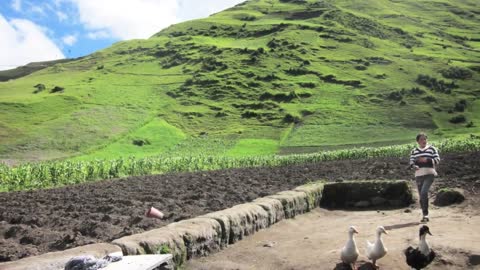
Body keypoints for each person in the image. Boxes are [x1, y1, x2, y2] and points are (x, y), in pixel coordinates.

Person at [409, 132, 440, 222]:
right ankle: (424, 215)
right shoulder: (414, 151)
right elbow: (411, 162)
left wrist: (427, 160)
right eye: (422, 139)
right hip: (418, 175)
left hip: (429, 174)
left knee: (423, 192)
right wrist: (414, 166)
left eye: (425, 139)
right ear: (418, 141)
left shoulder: (432, 149)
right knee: (421, 196)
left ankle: (426, 215)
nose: (424, 141)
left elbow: (437, 160)